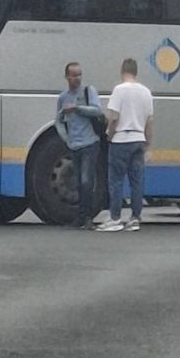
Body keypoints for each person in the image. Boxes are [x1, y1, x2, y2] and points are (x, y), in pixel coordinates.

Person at [97, 58, 154, 232]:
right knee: (137, 182)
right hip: (138, 139)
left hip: (121, 139)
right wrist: (147, 144)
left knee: (116, 181)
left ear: (122, 71)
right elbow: (150, 121)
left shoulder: (119, 90)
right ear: (136, 72)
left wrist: (109, 135)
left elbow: (113, 118)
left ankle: (115, 218)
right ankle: (135, 218)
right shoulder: (146, 92)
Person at [55, 62, 105, 230]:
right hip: (74, 145)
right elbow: (59, 121)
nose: (77, 78)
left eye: (79, 75)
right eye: (74, 75)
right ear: (67, 77)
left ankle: (88, 217)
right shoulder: (63, 98)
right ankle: (81, 217)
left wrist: (77, 108)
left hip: (90, 143)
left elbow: (97, 111)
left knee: (86, 181)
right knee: (77, 182)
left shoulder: (88, 91)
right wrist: (66, 138)